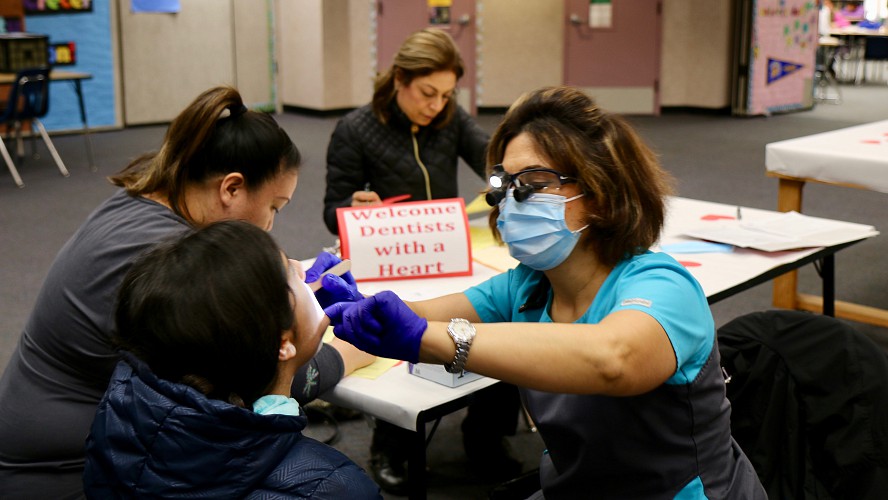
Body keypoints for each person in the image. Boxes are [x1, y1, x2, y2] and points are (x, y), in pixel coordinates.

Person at [324, 86, 768, 499]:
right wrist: (353, 305)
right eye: (505, 185)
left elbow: (613, 359)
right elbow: (415, 314)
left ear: (600, 191)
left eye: (533, 182)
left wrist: (430, 339)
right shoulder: (527, 285)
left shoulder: (662, 286)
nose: (512, 201)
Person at [0, 86, 374, 499]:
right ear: (230, 189)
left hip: (87, 439)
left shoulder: (147, 203)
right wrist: (348, 353)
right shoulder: (154, 258)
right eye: (275, 208)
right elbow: (252, 378)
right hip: (68, 471)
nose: (270, 226)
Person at [322, 27, 521, 493]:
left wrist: (507, 181)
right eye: (427, 93)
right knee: (399, 329)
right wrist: (354, 205)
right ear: (399, 80)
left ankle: (485, 435)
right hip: (387, 257)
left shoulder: (451, 118)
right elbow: (332, 211)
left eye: (447, 94)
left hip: (445, 250)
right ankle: (390, 442)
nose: (436, 105)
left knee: (500, 315)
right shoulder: (355, 129)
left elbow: (495, 161)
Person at [82, 221, 381, 498]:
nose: (299, 268)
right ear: (282, 342)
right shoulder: (330, 487)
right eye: (290, 275)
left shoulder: (125, 402)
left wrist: (303, 323)